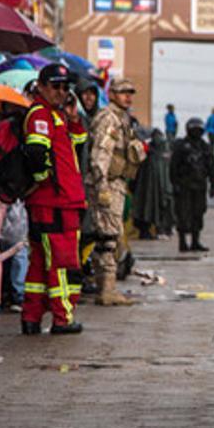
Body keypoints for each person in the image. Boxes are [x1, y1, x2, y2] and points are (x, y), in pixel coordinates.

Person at [21, 63, 87, 335]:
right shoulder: (40, 114)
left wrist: (72, 117)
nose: (62, 92)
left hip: (57, 201)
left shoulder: (55, 115)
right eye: (56, 86)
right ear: (41, 86)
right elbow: (37, 154)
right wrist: (42, 183)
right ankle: (63, 318)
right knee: (62, 262)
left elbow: (78, 142)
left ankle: (31, 317)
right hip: (55, 202)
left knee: (39, 263)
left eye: (65, 87)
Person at [87, 77, 146, 305]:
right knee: (109, 237)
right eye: (123, 92)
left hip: (117, 182)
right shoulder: (109, 119)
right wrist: (102, 186)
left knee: (108, 236)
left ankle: (106, 287)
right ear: (112, 94)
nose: (128, 96)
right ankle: (107, 289)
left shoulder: (123, 119)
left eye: (130, 92)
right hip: (108, 183)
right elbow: (100, 155)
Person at [170, 117, 214, 253]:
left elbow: (212, 167)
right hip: (184, 186)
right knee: (183, 214)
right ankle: (182, 242)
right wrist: (174, 184)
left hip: (200, 186)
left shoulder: (205, 147)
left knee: (198, 213)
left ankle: (195, 241)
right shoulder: (181, 146)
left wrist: (213, 184)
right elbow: (173, 167)